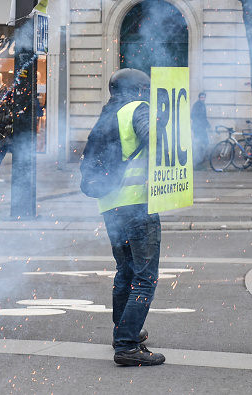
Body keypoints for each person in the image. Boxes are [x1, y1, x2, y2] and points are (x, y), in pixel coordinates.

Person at [94, 68, 164, 366]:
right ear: (140, 89)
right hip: (137, 204)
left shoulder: (107, 112)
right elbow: (152, 134)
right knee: (144, 278)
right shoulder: (138, 108)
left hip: (110, 206)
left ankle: (122, 331)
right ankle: (126, 345)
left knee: (124, 271)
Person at [190, 92, 211, 170]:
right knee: (198, 144)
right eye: (202, 97)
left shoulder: (202, 105)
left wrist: (208, 125)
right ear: (199, 98)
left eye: (204, 97)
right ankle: (196, 163)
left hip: (201, 128)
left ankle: (199, 161)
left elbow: (204, 117)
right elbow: (192, 115)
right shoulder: (197, 105)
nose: (203, 98)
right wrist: (199, 123)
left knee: (204, 142)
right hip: (198, 128)